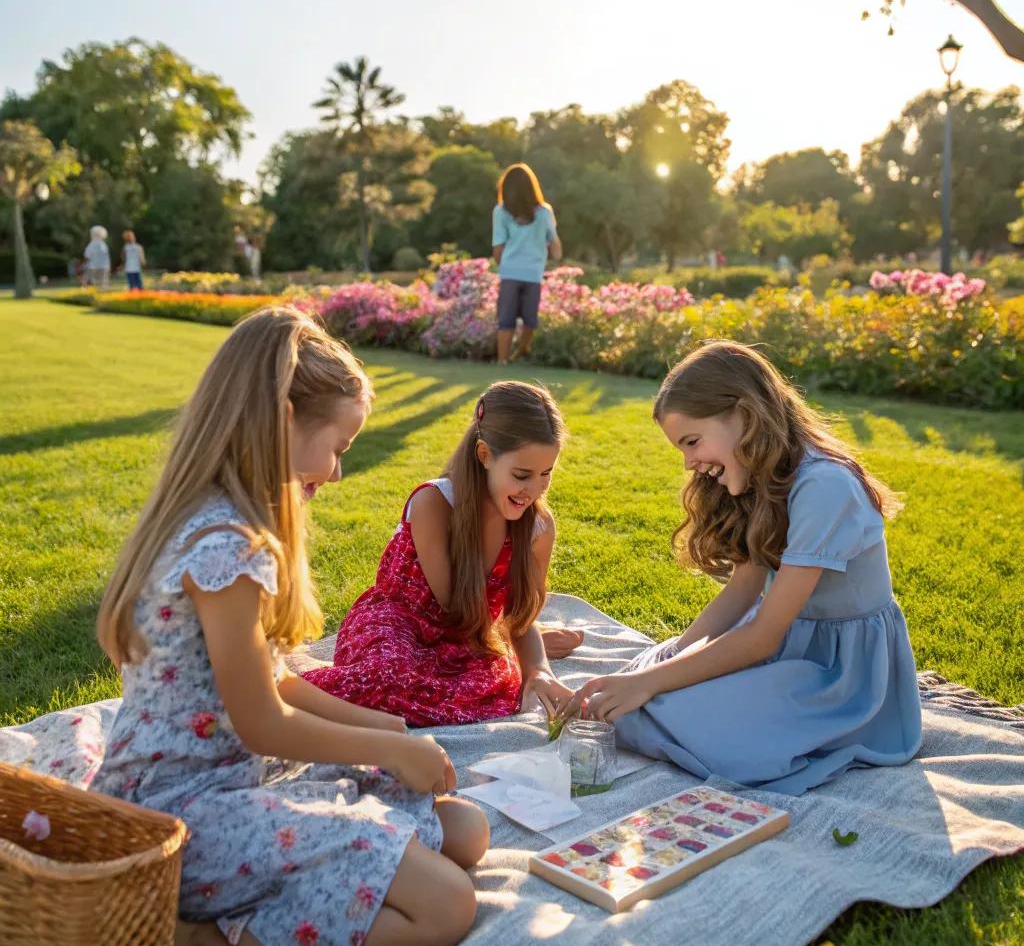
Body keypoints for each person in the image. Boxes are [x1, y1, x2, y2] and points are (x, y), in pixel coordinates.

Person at [93, 306, 488, 946]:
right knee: (448, 905)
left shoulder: (217, 522)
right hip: (179, 820)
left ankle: (316, 881)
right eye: (338, 446)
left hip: (237, 780)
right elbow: (263, 722)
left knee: (466, 831)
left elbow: (271, 679)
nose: (336, 473)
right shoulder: (228, 549)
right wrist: (387, 748)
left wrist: (383, 726)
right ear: (282, 421)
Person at [577, 341, 922, 795]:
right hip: (784, 645)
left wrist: (650, 682)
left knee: (674, 714)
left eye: (692, 442)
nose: (689, 463)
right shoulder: (765, 476)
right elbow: (741, 594)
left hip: (837, 673)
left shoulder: (825, 487)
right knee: (645, 688)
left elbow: (762, 636)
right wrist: (673, 657)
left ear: (744, 415)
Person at [302, 381, 580, 726]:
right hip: (398, 624)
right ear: (485, 456)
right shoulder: (434, 503)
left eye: (546, 474)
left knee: (498, 692)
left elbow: (518, 616)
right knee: (386, 680)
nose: (534, 489)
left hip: (464, 641)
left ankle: (513, 653)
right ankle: (287, 690)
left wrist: (537, 670)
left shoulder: (537, 528)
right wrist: (502, 644)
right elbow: (454, 606)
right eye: (522, 475)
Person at [492, 163, 561, 365]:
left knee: (506, 320)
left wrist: (502, 262)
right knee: (530, 320)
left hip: (510, 273)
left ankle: (502, 361)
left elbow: (498, 247)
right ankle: (521, 351)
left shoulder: (501, 212)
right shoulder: (545, 212)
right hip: (533, 273)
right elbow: (556, 247)